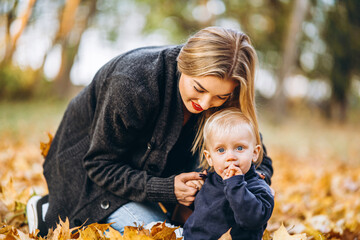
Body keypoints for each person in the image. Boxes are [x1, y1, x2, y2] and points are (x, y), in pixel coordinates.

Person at [26, 26, 273, 236]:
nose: (206, 104)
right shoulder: (133, 84)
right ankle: (49, 209)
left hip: (153, 173)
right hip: (90, 178)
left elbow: (259, 158)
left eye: (220, 96)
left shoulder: (228, 93)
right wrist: (166, 189)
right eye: (198, 88)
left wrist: (251, 180)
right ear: (183, 63)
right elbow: (98, 164)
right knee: (170, 236)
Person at [183, 108, 274, 240]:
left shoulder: (258, 188)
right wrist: (194, 193)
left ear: (255, 153)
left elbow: (252, 220)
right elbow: (206, 213)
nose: (230, 156)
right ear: (209, 158)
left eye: (239, 148)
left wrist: (236, 185)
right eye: (221, 150)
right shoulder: (210, 180)